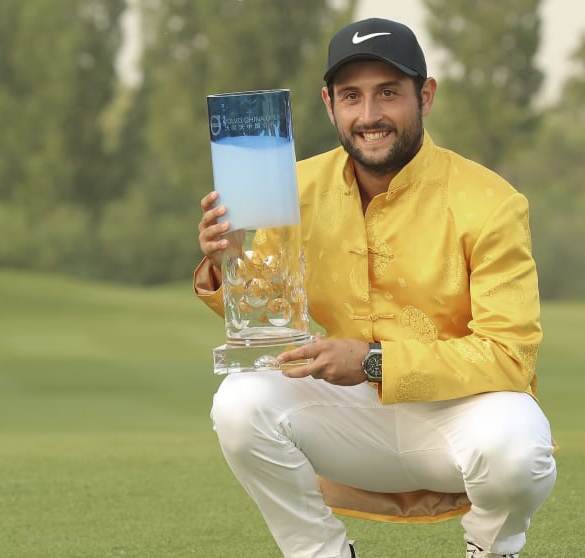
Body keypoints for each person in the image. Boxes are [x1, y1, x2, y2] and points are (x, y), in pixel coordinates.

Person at [194, 18, 556, 558]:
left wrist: (374, 361)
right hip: (346, 415)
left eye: (388, 93)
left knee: (519, 446)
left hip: (458, 413)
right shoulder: (292, 186)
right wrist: (228, 261)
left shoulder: (491, 202)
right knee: (238, 404)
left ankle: (491, 550)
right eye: (351, 97)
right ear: (328, 103)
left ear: (425, 96)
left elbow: (510, 355)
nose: (369, 116)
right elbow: (270, 310)